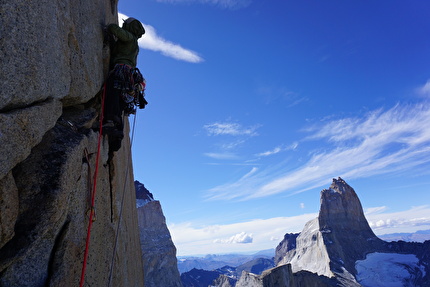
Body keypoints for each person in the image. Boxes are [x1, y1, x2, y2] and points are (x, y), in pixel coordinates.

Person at [103, 17, 146, 143]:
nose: (123, 25)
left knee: (113, 92)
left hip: (121, 70)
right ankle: (117, 134)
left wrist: (111, 26)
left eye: (125, 24)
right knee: (119, 101)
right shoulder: (135, 44)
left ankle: (110, 121)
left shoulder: (129, 37)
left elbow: (114, 29)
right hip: (127, 75)